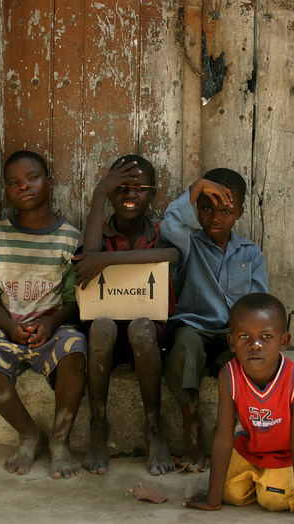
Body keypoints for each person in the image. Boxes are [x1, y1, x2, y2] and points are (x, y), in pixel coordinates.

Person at [0, 150, 87, 479]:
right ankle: (29, 434)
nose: (24, 186)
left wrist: (51, 322)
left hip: (53, 326)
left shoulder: (70, 239)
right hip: (7, 326)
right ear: (5, 190)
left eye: (32, 178)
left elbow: (74, 302)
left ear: (50, 182)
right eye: (14, 182)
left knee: (75, 350)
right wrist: (8, 326)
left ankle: (60, 440)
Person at [184, 293, 294, 520]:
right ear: (232, 343)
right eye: (244, 336)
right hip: (251, 448)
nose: (255, 345)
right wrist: (213, 499)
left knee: (273, 500)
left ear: (283, 341)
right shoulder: (229, 376)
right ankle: (261, 479)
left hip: (286, 452)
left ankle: (275, 481)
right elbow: (223, 437)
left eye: (266, 336)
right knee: (230, 494)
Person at [74, 155, 178, 476]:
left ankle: (154, 427)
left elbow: (171, 255)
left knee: (142, 328)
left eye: (140, 188)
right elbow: (86, 257)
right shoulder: (99, 233)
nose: (130, 195)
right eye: (119, 188)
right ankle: (98, 425)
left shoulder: (160, 232)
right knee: (103, 326)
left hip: (147, 338)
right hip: (104, 334)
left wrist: (109, 261)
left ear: (154, 195)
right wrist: (98, 194)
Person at [160, 168, 267, 469]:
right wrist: (197, 187)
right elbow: (170, 224)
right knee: (187, 344)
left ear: (240, 213)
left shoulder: (250, 253)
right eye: (206, 208)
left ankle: (239, 436)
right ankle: (190, 427)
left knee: (241, 363)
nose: (215, 217)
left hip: (232, 336)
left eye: (226, 211)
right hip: (193, 328)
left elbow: (258, 305)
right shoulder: (189, 244)